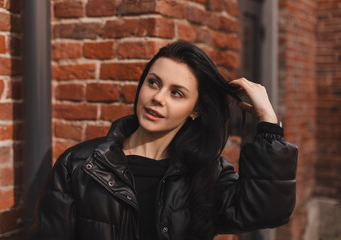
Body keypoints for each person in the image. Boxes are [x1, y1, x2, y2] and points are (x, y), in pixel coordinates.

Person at [27, 41, 298, 240]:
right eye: (154, 83)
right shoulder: (79, 165)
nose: (158, 97)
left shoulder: (205, 173)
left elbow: (267, 212)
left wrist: (268, 125)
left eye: (177, 93)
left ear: (195, 110)